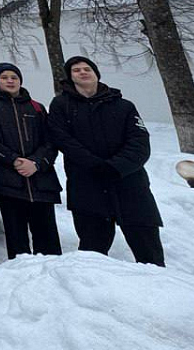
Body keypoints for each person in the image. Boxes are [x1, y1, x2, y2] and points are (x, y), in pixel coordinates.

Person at [47, 56, 164, 266]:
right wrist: (95, 165)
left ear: (96, 74)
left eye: (87, 69)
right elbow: (62, 139)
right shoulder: (61, 105)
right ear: (70, 77)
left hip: (129, 184)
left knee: (149, 250)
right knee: (93, 253)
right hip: (87, 185)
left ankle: (160, 284)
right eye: (76, 70)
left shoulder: (124, 106)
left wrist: (116, 167)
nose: (83, 72)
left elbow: (139, 142)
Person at [0, 62, 62, 258]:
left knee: (48, 239)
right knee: (17, 241)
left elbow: (50, 141)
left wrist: (36, 163)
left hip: (40, 180)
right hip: (8, 181)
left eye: (14, 77)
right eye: (4, 77)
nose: (10, 81)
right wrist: (14, 160)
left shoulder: (36, 107)